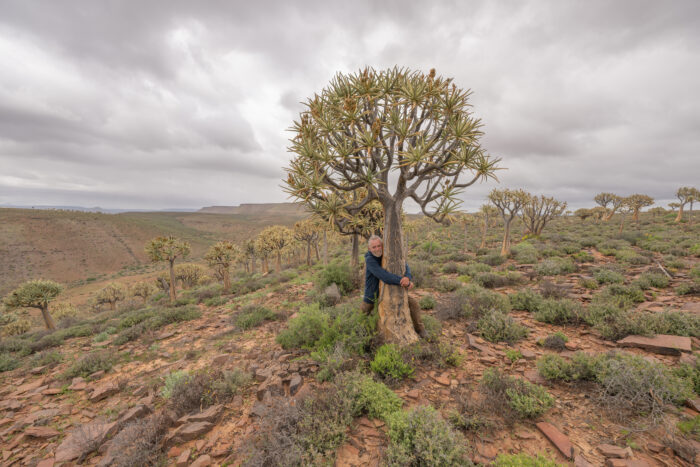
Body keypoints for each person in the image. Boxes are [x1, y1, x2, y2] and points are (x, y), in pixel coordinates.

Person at [361, 235, 426, 338]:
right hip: (372, 294)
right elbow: (384, 276)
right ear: (369, 249)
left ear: (383, 246)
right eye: (374, 247)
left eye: (379, 246)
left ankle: (421, 330)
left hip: (391, 290)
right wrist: (403, 281)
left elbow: (404, 264)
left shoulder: (387, 254)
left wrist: (407, 277)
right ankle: (361, 336)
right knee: (363, 314)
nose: (377, 249)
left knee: (413, 304)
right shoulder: (370, 259)